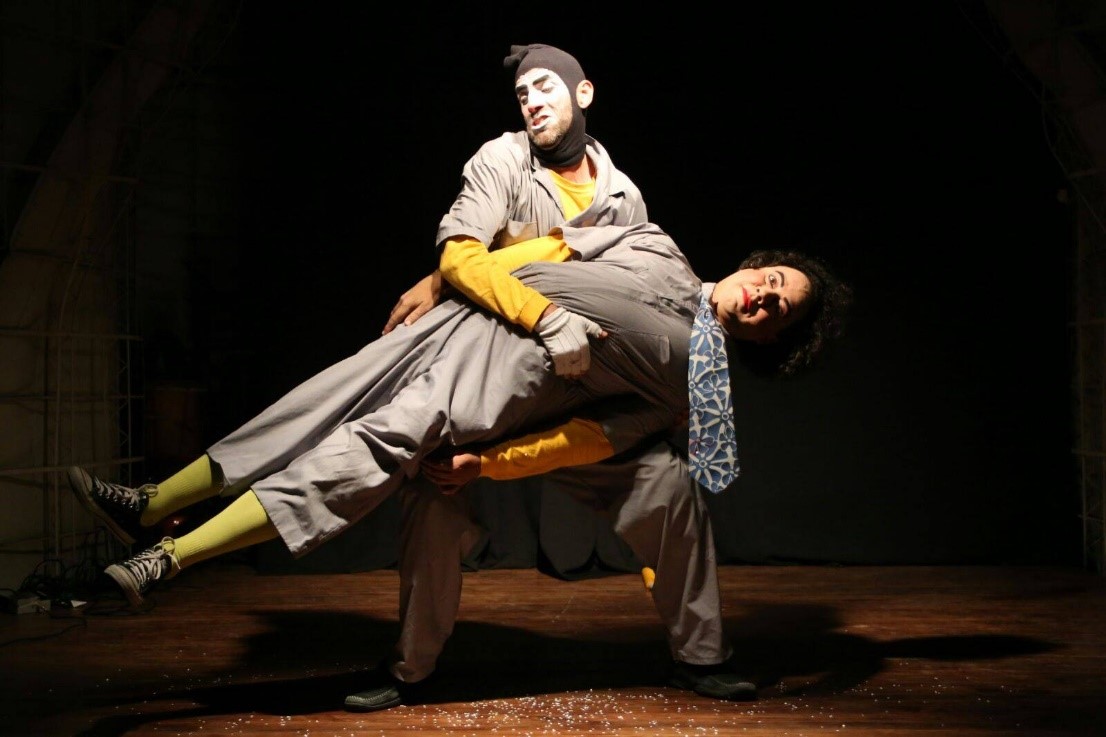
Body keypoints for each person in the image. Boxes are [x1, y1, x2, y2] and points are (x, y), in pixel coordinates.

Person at [65, 222, 851, 710]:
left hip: (495, 391)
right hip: (463, 320)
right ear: (754, 263)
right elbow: (543, 248)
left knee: (367, 454)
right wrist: (442, 278)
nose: (764, 297)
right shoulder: (656, 245)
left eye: (778, 308)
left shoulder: (693, 385)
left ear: (770, 340)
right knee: (315, 409)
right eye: (771, 280)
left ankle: (171, 558)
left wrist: (496, 463)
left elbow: (594, 438)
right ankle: (151, 506)